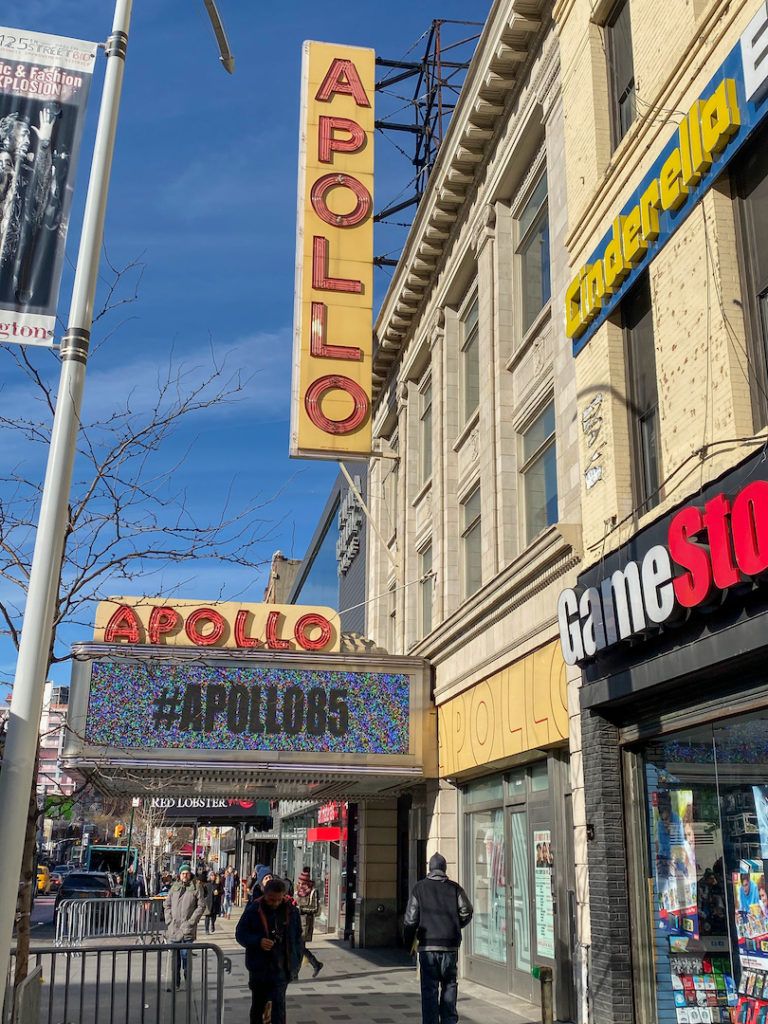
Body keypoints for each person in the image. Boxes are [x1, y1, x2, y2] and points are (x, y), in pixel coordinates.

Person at [403, 853, 473, 1024]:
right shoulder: (455, 888)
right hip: (450, 947)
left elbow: (410, 919)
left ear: (430, 868)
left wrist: (408, 943)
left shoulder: (419, 888)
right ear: (444, 868)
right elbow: (467, 911)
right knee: (450, 985)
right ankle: (449, 1020)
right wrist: (455, 926)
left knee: (429, 989)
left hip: (427, 947)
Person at [236, 877, 303, 1024]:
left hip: (281, 967)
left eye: (279, 899)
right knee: (258, 1007)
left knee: (279, 1008)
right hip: (259, 967)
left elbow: (297, 937)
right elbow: (240, 934)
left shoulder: (291, 911)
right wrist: (257, 941)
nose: (276, 903)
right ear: (265, 894)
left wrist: (295, 961)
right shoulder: (253, 909)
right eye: (272, 899)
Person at [163, 864, 206, 988]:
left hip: (187, 929)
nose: (185, 875)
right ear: (179, 875)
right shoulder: (174, 887)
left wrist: (192, 921)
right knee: (174, 959)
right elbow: (167, 905)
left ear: (190, 874)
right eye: (183, 873)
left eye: (187, 873)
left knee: (186, 958)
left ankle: (188, 982)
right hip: (174, 929)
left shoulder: (196, 887)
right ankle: (175, 983)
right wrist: (169, 921)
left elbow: (201, 906)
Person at [295, 867, 323, 977]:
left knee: (299, 948)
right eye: (299, 881)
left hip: (306, 924)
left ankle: (295, 973)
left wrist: (301, 909)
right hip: (296, 923)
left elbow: (315, 909)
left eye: (302, 882)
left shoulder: (313, 892)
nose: (300, 884)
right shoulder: (298, 891)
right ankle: (316, 964)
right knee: (299, 948)